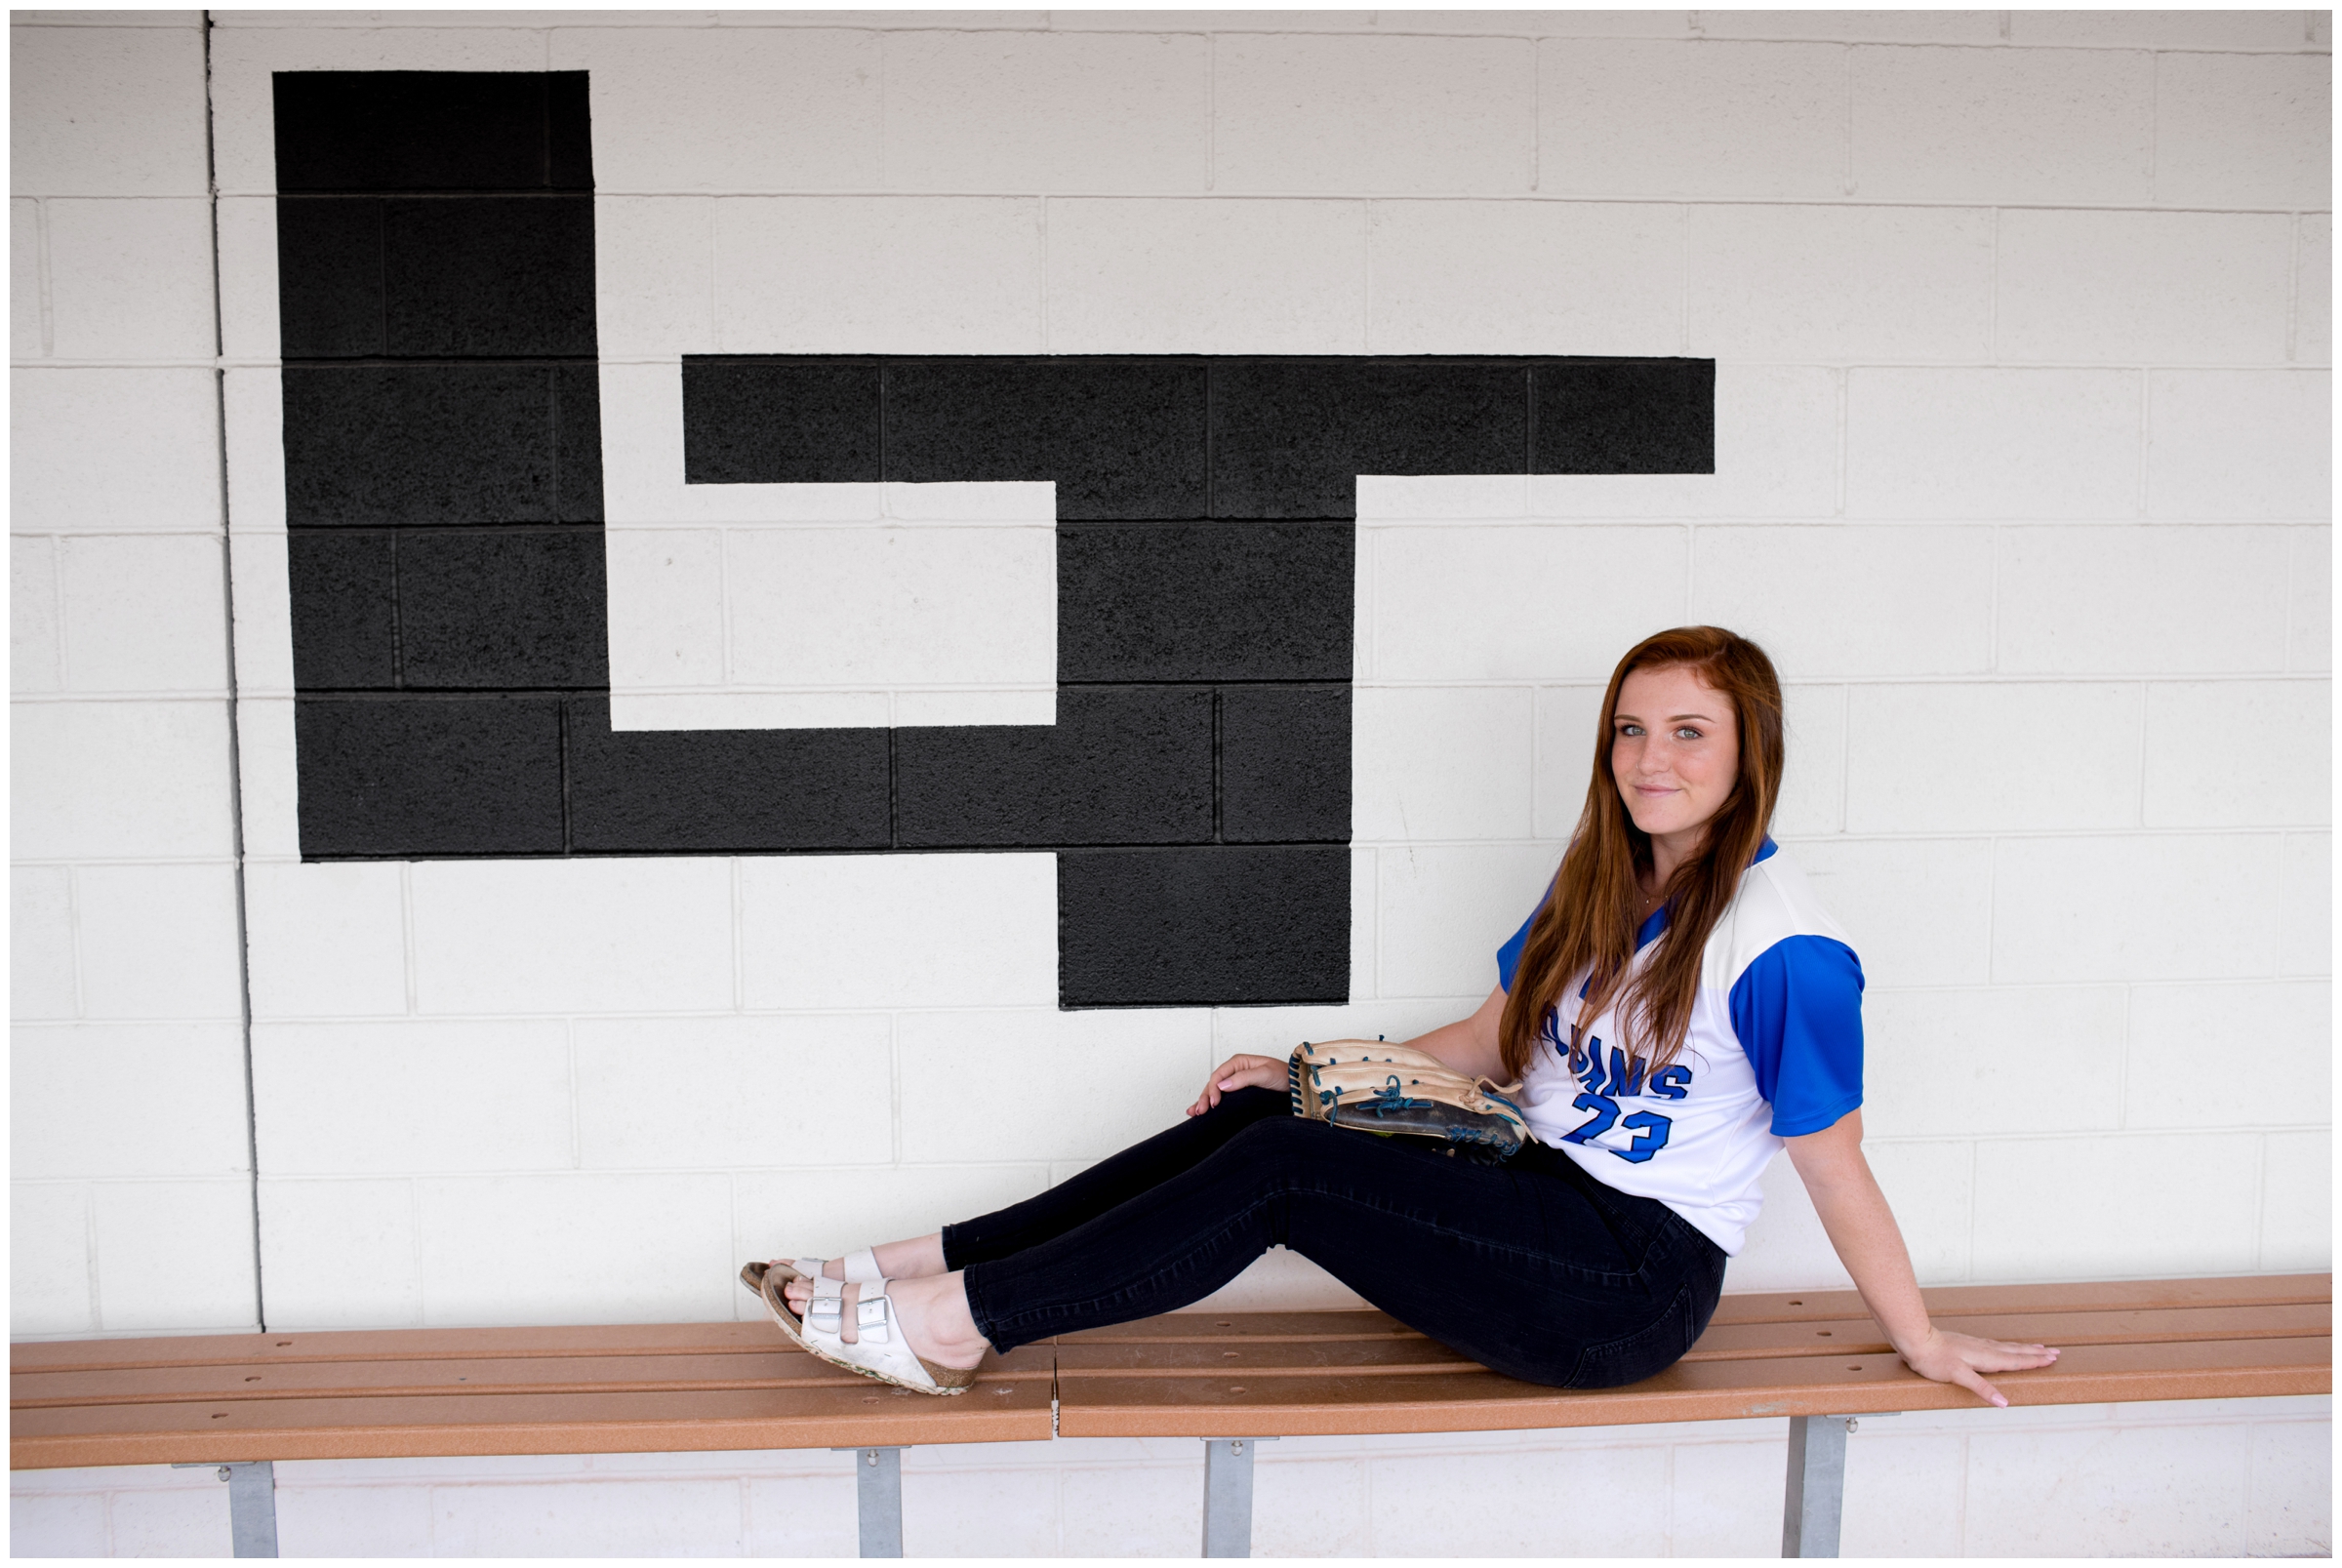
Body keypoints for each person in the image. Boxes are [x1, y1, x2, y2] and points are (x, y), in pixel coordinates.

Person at [747, 625, 2060, 1405]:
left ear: (1746, 754)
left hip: (1624, 1284)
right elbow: (1498, 1044)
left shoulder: (1786, 950)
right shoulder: (1602, 881)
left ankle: (956, 1326)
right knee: (1266, 1117)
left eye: (1688, 734)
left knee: (1278, 1172)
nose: (1649, 761)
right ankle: (916, 1266)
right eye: (1628, 731)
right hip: (1534, 1193)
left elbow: (1836, 1167)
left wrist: (1923, 1336)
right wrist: (1315, 1074)